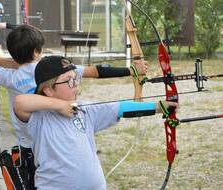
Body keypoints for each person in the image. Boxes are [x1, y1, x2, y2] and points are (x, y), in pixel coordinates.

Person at [0, 24, 147, 188]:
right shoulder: (57, 70)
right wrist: (131, 70)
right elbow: (96, 71)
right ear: (37, 51)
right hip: (59, 144)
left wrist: (12, 62)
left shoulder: (10, 77)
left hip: (29, 149)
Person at [13, 55, 178, 189]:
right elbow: (20, 102)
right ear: (48, 90)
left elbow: (118, 108)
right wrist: (61, 106)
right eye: (69, 81)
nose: (76, 85)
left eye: (76, 79)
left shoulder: (83, 109)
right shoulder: (39, 117)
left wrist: (158, 107)